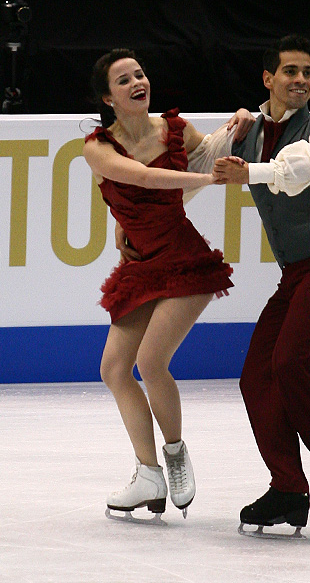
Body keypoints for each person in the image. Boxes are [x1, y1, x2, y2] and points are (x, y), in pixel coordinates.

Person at [83, 48, 254, 521]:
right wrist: (206, 178)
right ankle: (148, 475)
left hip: (183, 260)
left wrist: (239, 121)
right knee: (115, 369)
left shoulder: (175, 130)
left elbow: (215, 148)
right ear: (107, 97)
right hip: (141, 265)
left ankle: (175, 454)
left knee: (150, 362)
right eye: (124, 80)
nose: (138, 82)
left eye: (140, 73)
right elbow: (139, 178)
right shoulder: (97, 146)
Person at [213, 34, 310, 533]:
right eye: (290, 71)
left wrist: (251, 171)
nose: (300, 80)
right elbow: (199, 165)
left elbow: (309, 168)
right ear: (268, 78)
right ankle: (287, 489)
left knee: (291, 360)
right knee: (257, 376)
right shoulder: (247, 130)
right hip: (296, 274)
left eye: (307, 72)